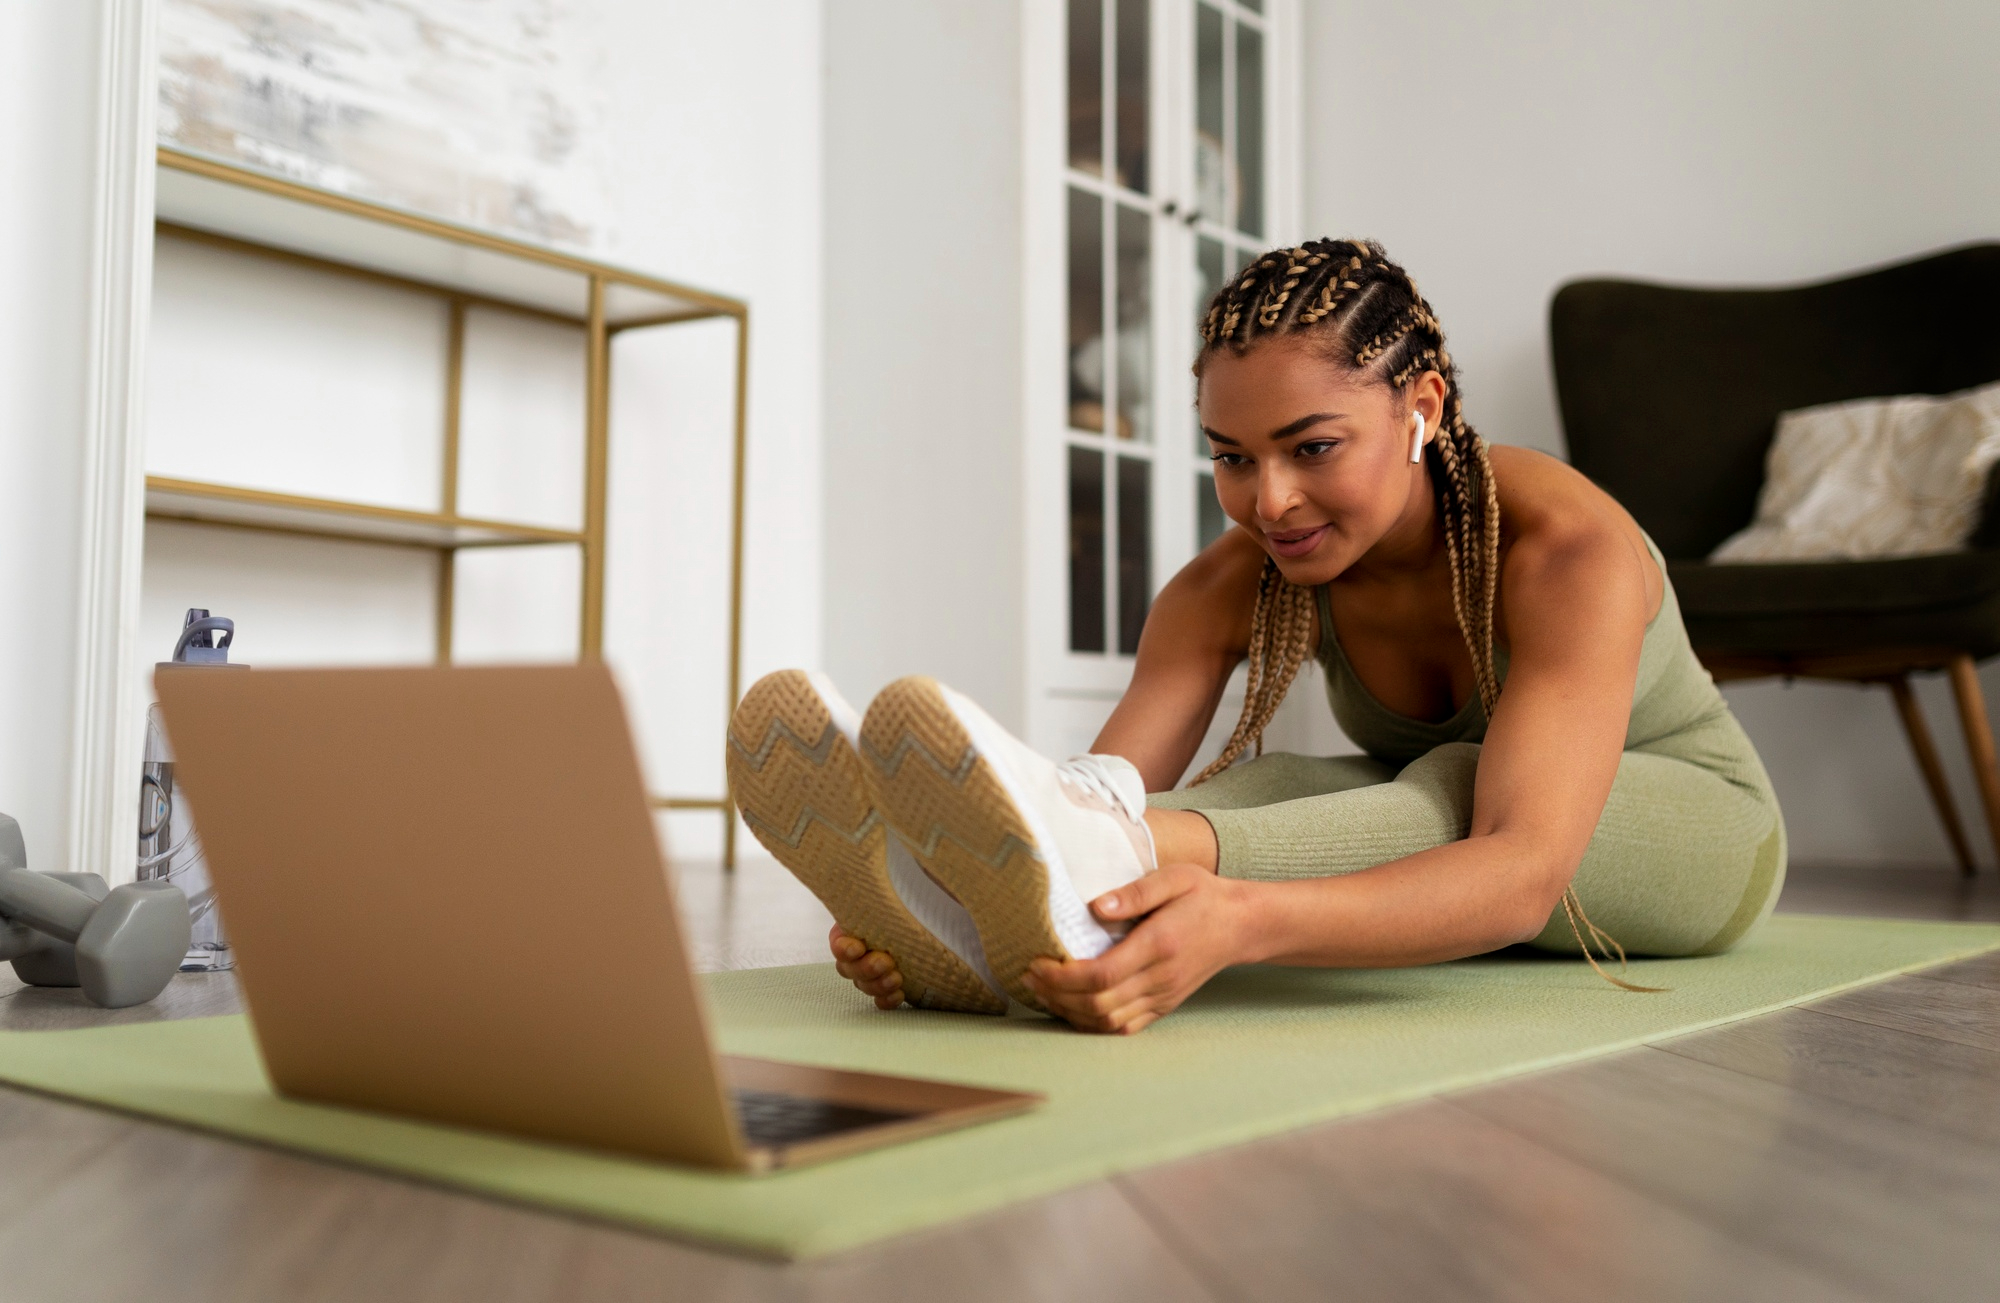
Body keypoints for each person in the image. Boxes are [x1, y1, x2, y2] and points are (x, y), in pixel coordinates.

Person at [727, 238, 1785, 1036]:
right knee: (1250, 785)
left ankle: (1090, 883)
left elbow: (1517, 872)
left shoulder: (1561, 550)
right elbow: (1104, 791)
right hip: (1459, 813)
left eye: (1311, 446)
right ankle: (995, 901)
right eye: (1230, 458)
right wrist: (959, 896)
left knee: (1454, 774)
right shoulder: (1234, 578)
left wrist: (1242, 921)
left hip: (1694, 834)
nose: (1268, 500)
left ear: (1420, 408)